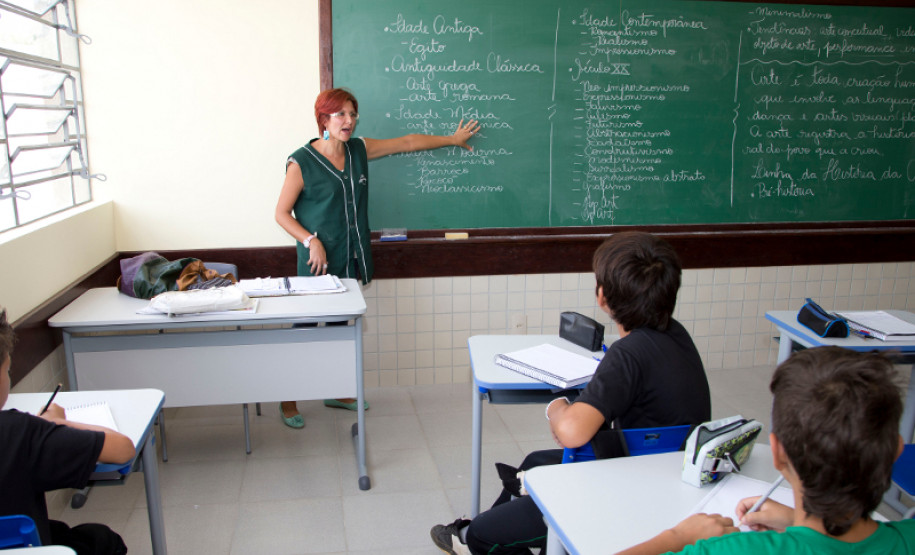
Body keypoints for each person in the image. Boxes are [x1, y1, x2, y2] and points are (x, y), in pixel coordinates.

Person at [431, 231, 712, 554]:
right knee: (533, 463)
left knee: (484, 534)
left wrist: (557, 406)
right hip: (664, 472)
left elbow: (571, 433)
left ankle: (473, 537)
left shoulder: (628, 354)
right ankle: (485, 529)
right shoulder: (676, 335)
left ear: (603, 297)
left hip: (626, 488)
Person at [274, 88, 480, 428]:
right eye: (341, 114)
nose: (349, 121)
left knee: (343, 328)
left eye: (353, 114)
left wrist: (452, 139)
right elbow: (282, 214)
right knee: (306, 330)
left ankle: (336, 390)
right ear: (323, 119)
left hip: (352, 256)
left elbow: (407, 143)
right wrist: (310, 240)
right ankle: (288, 399)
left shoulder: (359, 150)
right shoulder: (302, 162)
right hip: (318, 264)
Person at [618, 346, 915, 555]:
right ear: (895, 452)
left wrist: (678, 536)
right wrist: (794, 521)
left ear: (777, 453)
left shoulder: (730, 550)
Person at [0, 308, 135, 554]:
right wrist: (57, 424)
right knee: (102, 540)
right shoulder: (20, 433)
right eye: (7, 370)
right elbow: (123, 449)